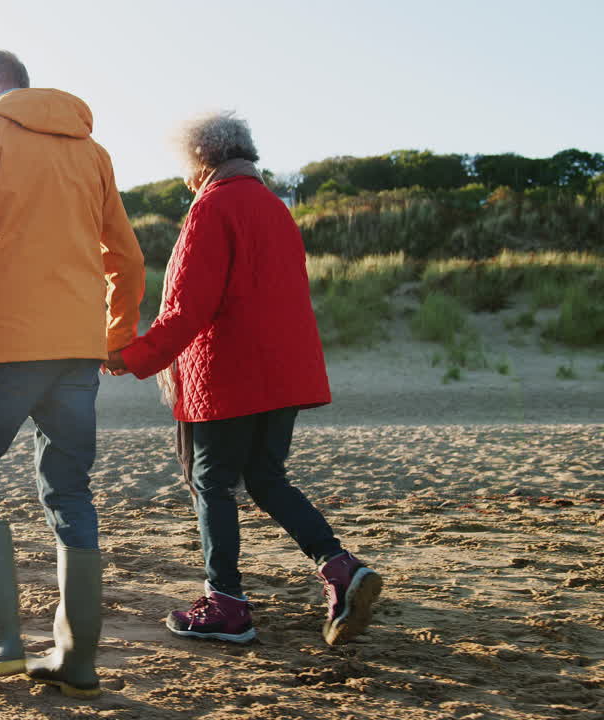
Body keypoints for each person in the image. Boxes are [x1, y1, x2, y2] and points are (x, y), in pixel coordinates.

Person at [105, 111, 383, 646]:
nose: (186, 180)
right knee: (265, 477)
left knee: (210, 482)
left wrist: (132, 356)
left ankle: (226, 604)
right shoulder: (276, 209)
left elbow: (188, 308)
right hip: (282, 373)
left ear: (199, 160)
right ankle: (340, 567)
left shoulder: (212, 207)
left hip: (227, 375)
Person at [0, 50, 145, 698]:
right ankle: (77, 658)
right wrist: (117, 336)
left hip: (6, 341)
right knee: (70, 492)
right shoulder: (91, 151)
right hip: (77, 347)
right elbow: (127, 258)